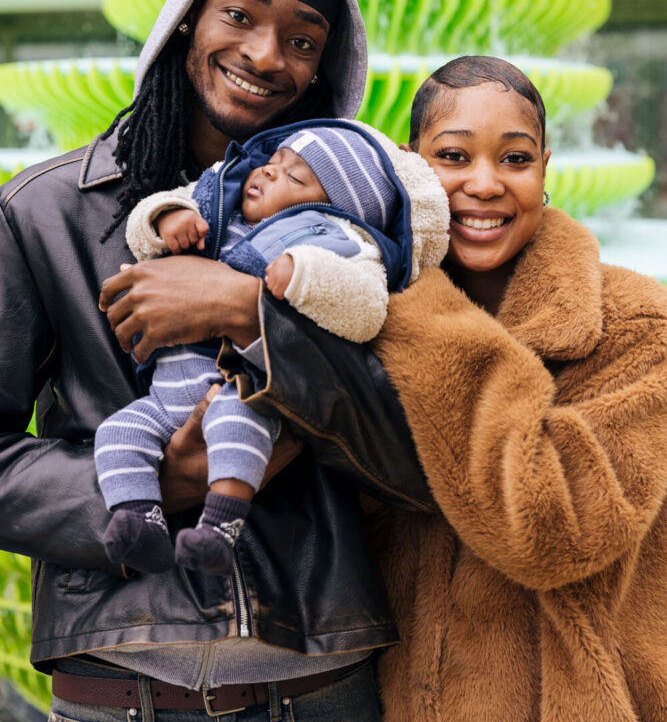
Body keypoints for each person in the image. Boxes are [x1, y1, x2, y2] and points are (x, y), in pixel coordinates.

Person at [0, 0, 434, 722]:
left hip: (320, 712)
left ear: (324, 71)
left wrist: (249, 311)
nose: (266, 55)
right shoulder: (44, 213)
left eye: (303, 40)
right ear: (186, 21)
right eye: (239, 15)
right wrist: (158, 484)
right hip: (119, 716)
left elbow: (418, 458)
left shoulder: (359, 242)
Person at [248, 55, 667, 722]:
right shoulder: (352, 317)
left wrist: (419, 311)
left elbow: (555, 529)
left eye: (515, 158)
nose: (485, 182)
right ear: (408, 164)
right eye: (453, 156)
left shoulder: (636, 325)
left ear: (545, 168)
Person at [96, 119, 448, 575]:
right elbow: (143, 228)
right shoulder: (219, 204)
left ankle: (219, 527)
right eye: (274, 161)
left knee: (236, 426)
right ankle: (140, 523)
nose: (266, 171)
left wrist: (302, 274)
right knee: (117, 433)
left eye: (294, 177)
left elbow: (364, 308)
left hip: (238, 386)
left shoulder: (340, 243)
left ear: (331, 209)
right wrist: (166, 217)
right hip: (164, 393)